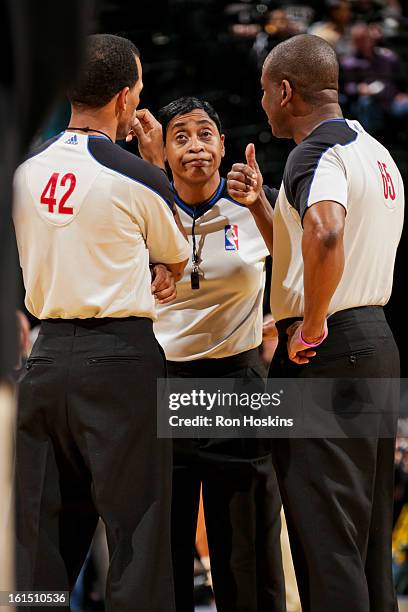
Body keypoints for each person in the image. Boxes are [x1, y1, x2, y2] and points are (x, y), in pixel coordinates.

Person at [227, 33, 404, 611]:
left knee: (325, 539)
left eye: (262, 93)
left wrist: (313, 324)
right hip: (376, 343)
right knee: (366, 539)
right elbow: (307, 247)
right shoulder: (374, 150)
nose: (261, 105)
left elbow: (326, 233)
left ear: (284, 91)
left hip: (327, 351)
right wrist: (262, 206)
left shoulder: (314, 152)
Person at [13, 34, 190, 611]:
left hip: (42, 361)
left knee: (39, 539)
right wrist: (155, 167)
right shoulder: (137, 175)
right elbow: (179, 254)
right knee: (139, 531)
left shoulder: (23, 172)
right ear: (124, 98)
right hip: (121, 360)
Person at [130, 96, 286, 611]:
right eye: (180, 136)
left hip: (237, 383)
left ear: (222, 145)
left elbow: (294, 266)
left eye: (204, 134)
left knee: (247, 551)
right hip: (163, 387)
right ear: (166, 153)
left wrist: (262, 202)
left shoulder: (254, 203)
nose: (194, 145)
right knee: (164, 553)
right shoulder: (144, 205)